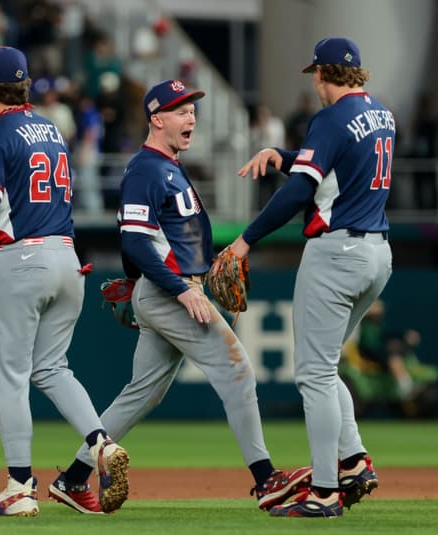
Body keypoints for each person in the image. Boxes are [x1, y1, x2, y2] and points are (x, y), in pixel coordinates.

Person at [49, 79, 312, 515]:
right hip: (172, 292)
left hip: (166, 289)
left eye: (192, 110)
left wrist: (153, 284)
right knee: (238, 372)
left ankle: (73, 479)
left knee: (141, 394)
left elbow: (152, 239)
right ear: (156, 119)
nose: (191, 117)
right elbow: (133, 242)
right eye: (180, 111)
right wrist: (175, 289)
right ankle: (267, 481)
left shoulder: (168, 165)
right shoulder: (145, 169)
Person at [0, 45, 129, 517]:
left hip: (22, 259)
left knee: (11, 378)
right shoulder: (53, 130)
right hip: (68, 259)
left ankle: (19, 487)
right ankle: (99, 443)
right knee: (53, 369)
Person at [228, 37, 394, 517]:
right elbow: (336, 165)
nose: (315, 84)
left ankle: (325, 492)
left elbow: (303, 190)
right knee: (324, 367)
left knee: (314, 374)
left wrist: (246, 239)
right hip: (376, 255)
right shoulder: (381, 115)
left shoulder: (330, 118)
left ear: (323, 74)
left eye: (315, 74)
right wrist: (287, 155)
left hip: (336, 253)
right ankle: (356, 461)